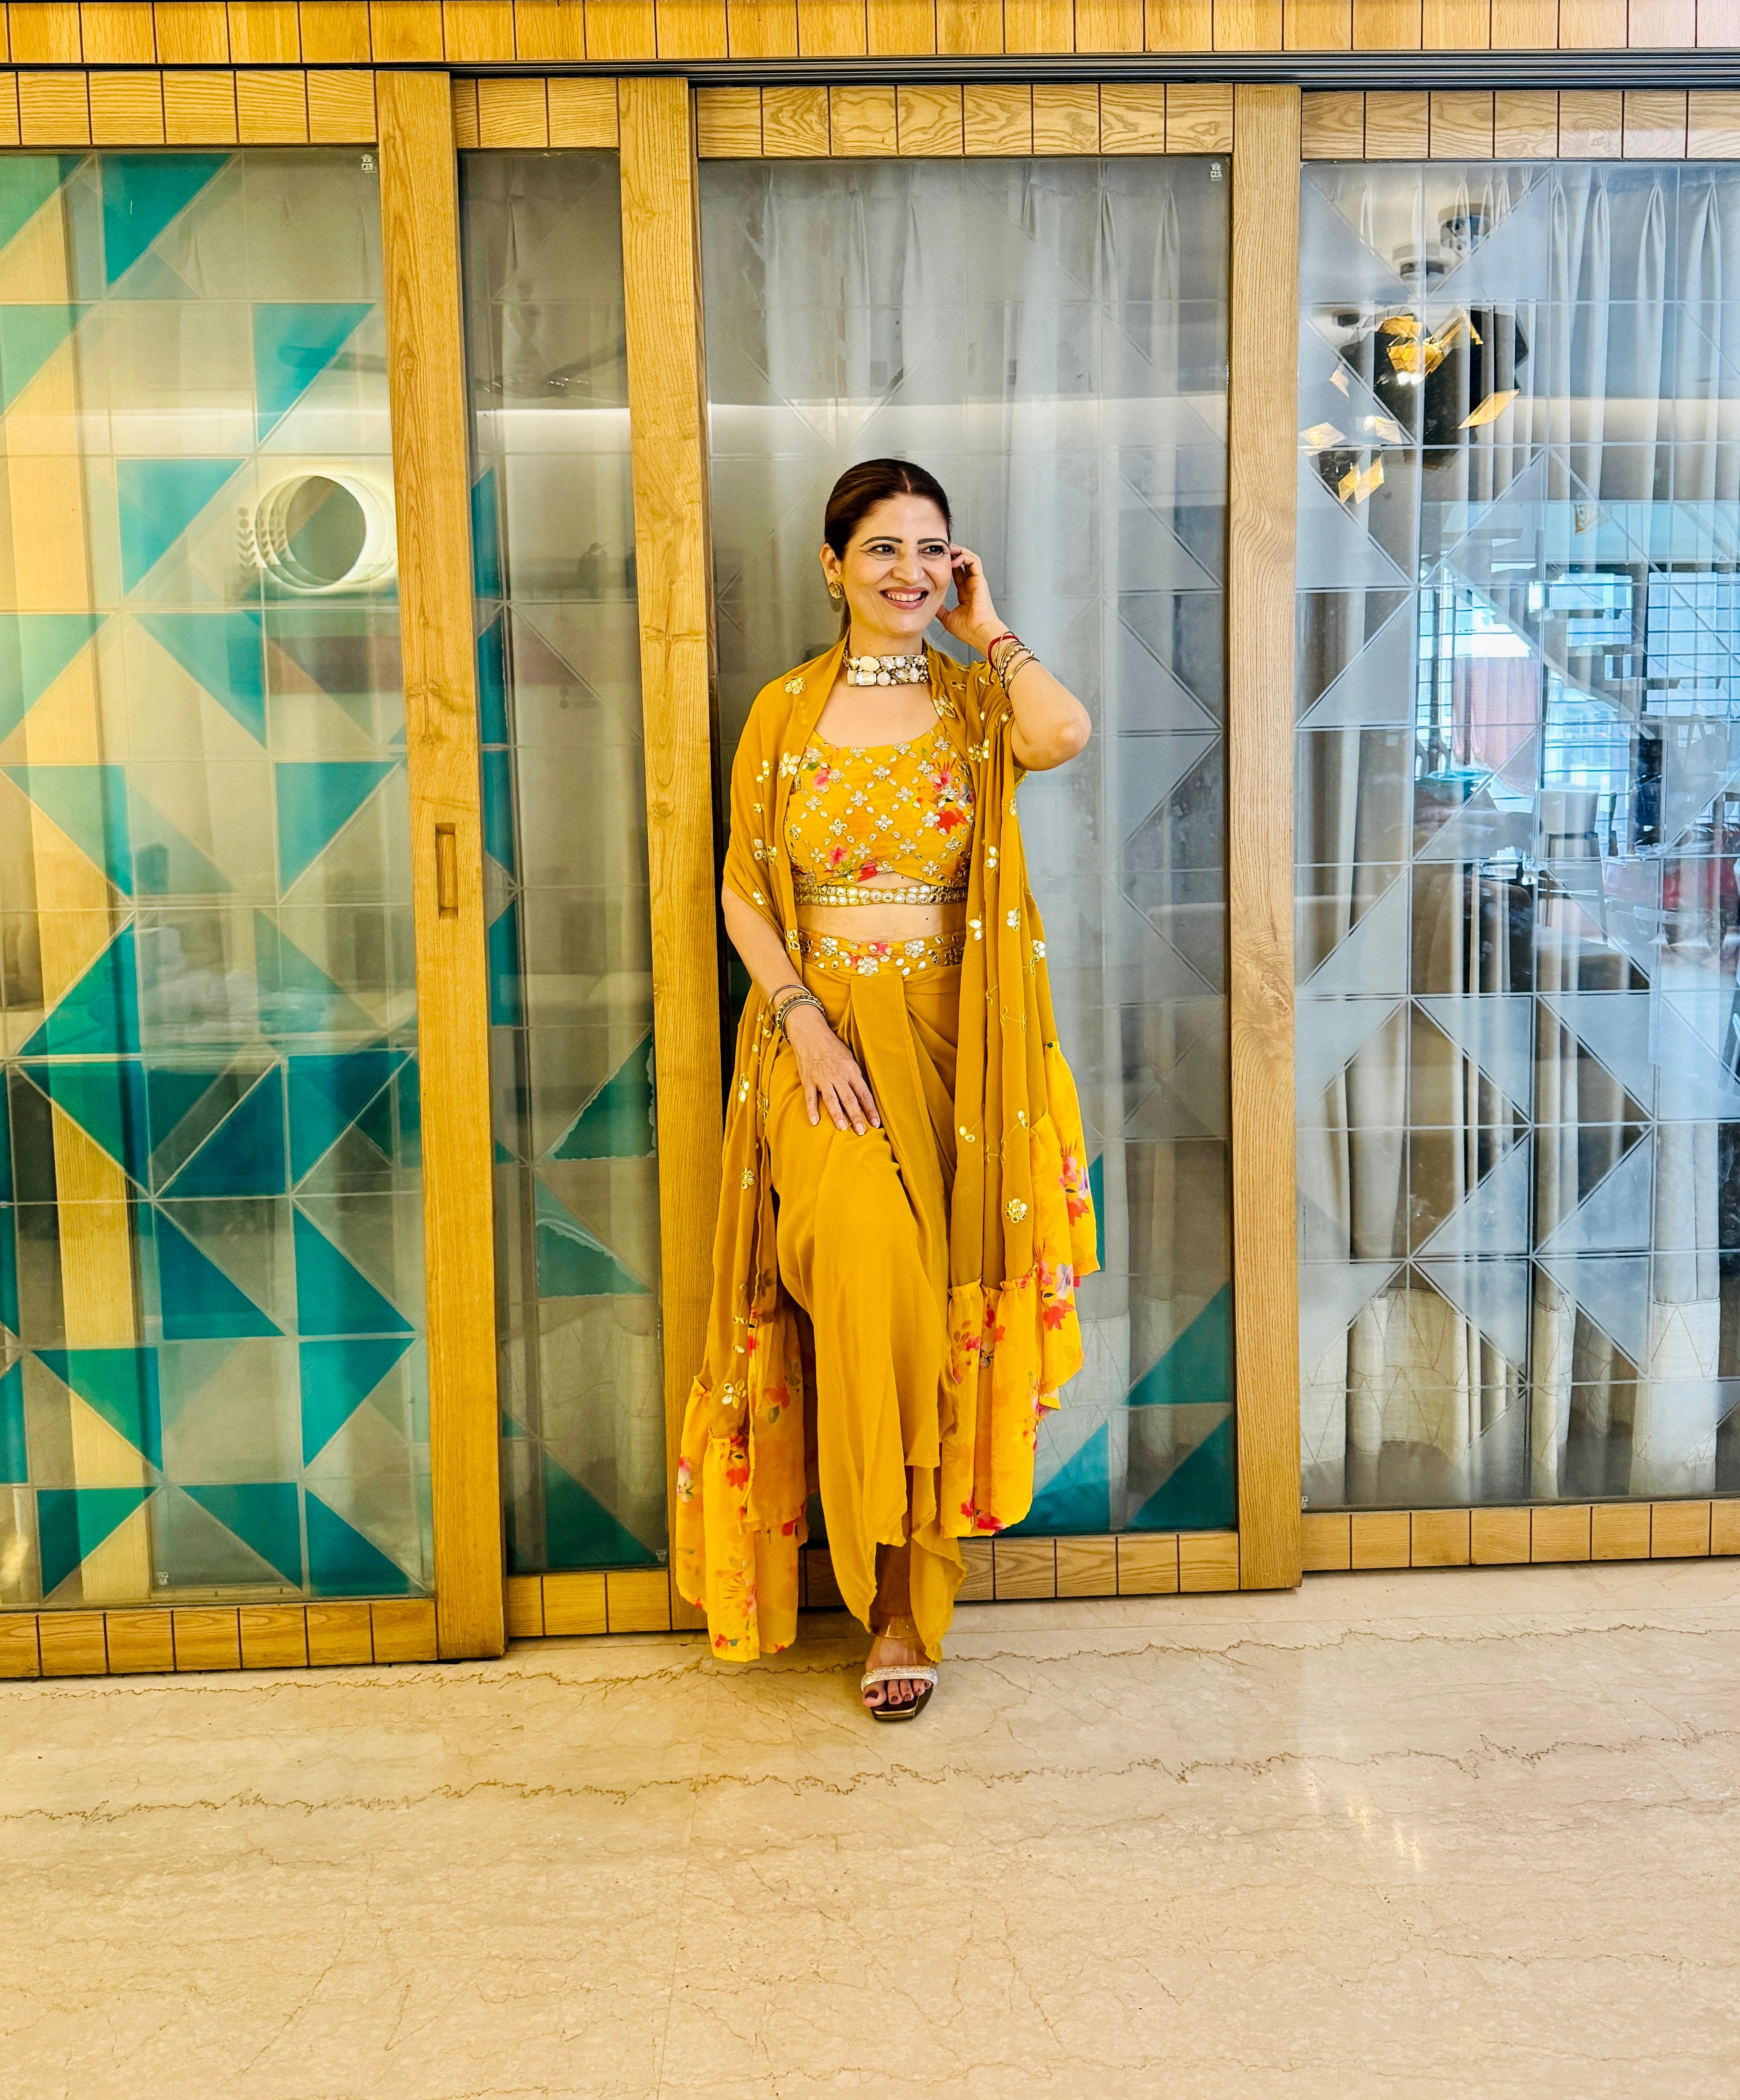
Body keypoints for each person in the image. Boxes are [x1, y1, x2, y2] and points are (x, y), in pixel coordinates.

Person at [674, 458, 1098, 1720]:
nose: (908, 571)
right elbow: (744, 892)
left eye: (931, 548)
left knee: (934, 1309)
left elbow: (1062, 734)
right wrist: (802, 1021)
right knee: (867, 1286)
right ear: (833, 566)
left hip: (960, 1046)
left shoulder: (976, 703)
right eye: (881, 548)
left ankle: (903, 1604)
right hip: (824, 1051)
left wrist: (990, 629)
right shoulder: (785, 712)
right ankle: (882, 1588)